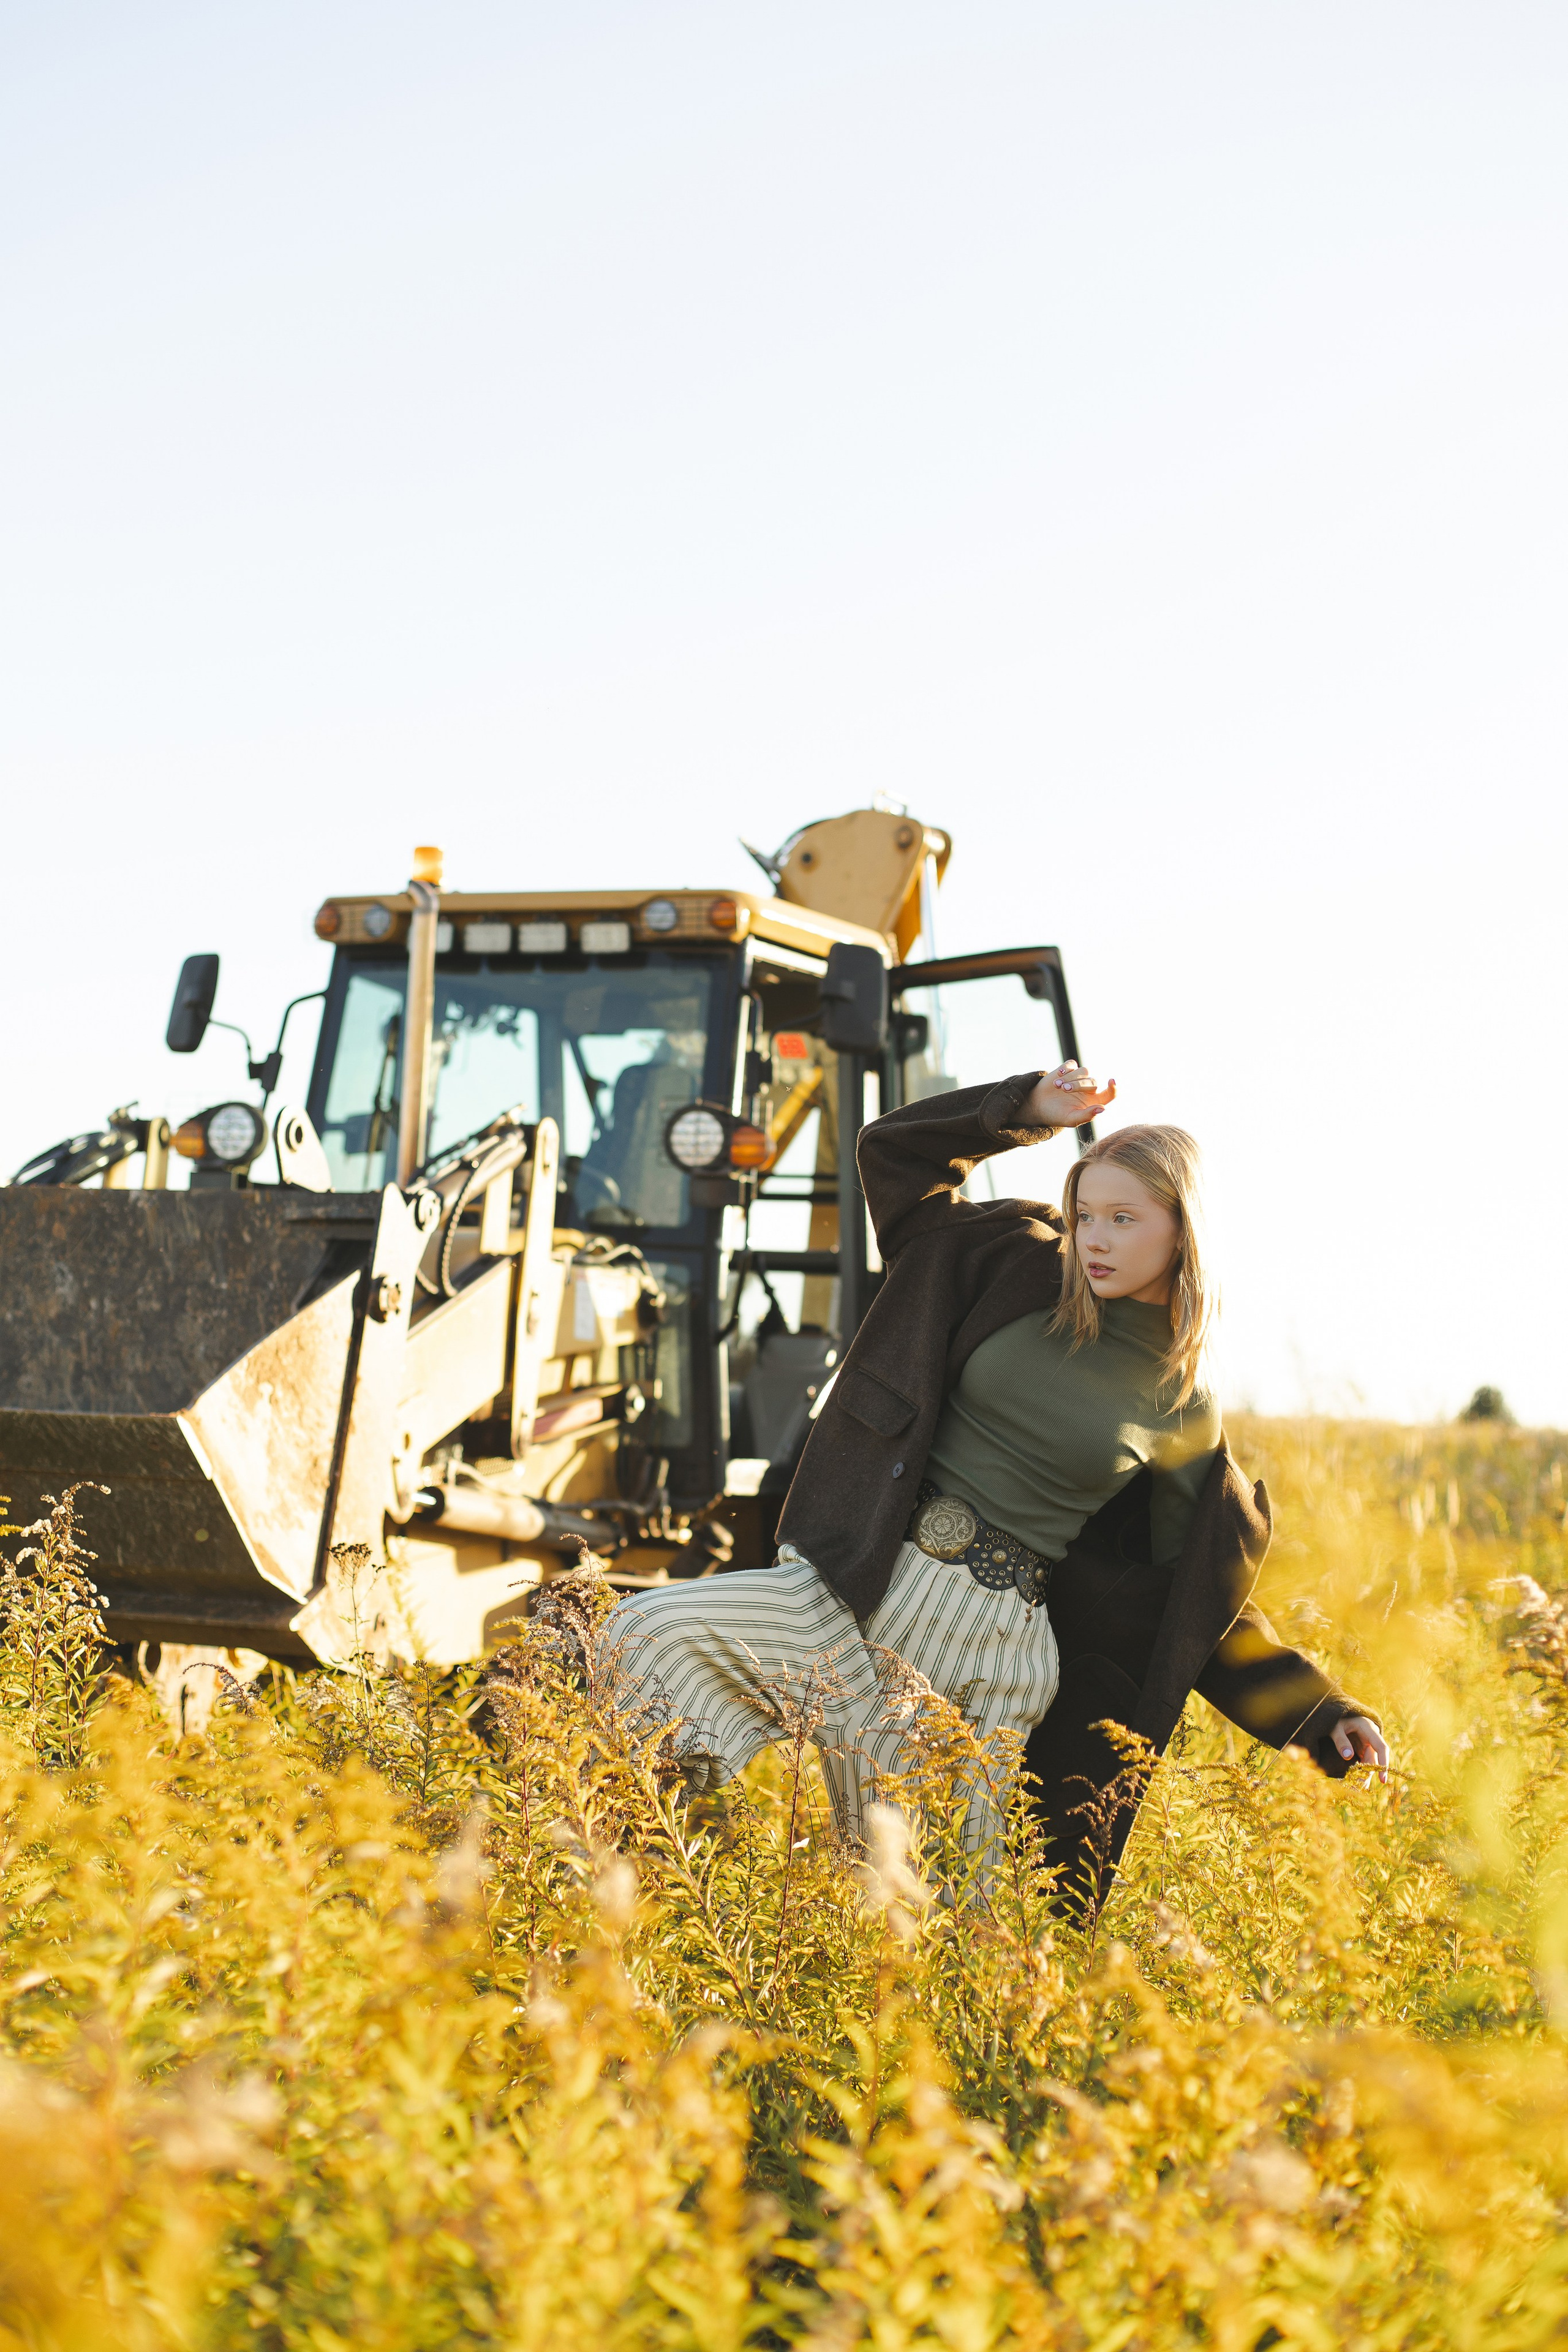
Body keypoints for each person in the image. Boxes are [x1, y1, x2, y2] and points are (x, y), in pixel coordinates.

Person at [606, 1065, 1387, 1902]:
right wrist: (1021, 1110)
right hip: (854, 1585)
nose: (1095, 1237)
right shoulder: (1012, 1263)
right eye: (1087, 1213)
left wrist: (1319, 1712)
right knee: (645, 1637)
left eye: (1124, 1219)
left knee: (911, 1914)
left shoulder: (1180, 1399)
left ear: (1181, 1230)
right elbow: (893, 1157)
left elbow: (1198, 1601)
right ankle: (655, 1902)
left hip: (983, 1647)